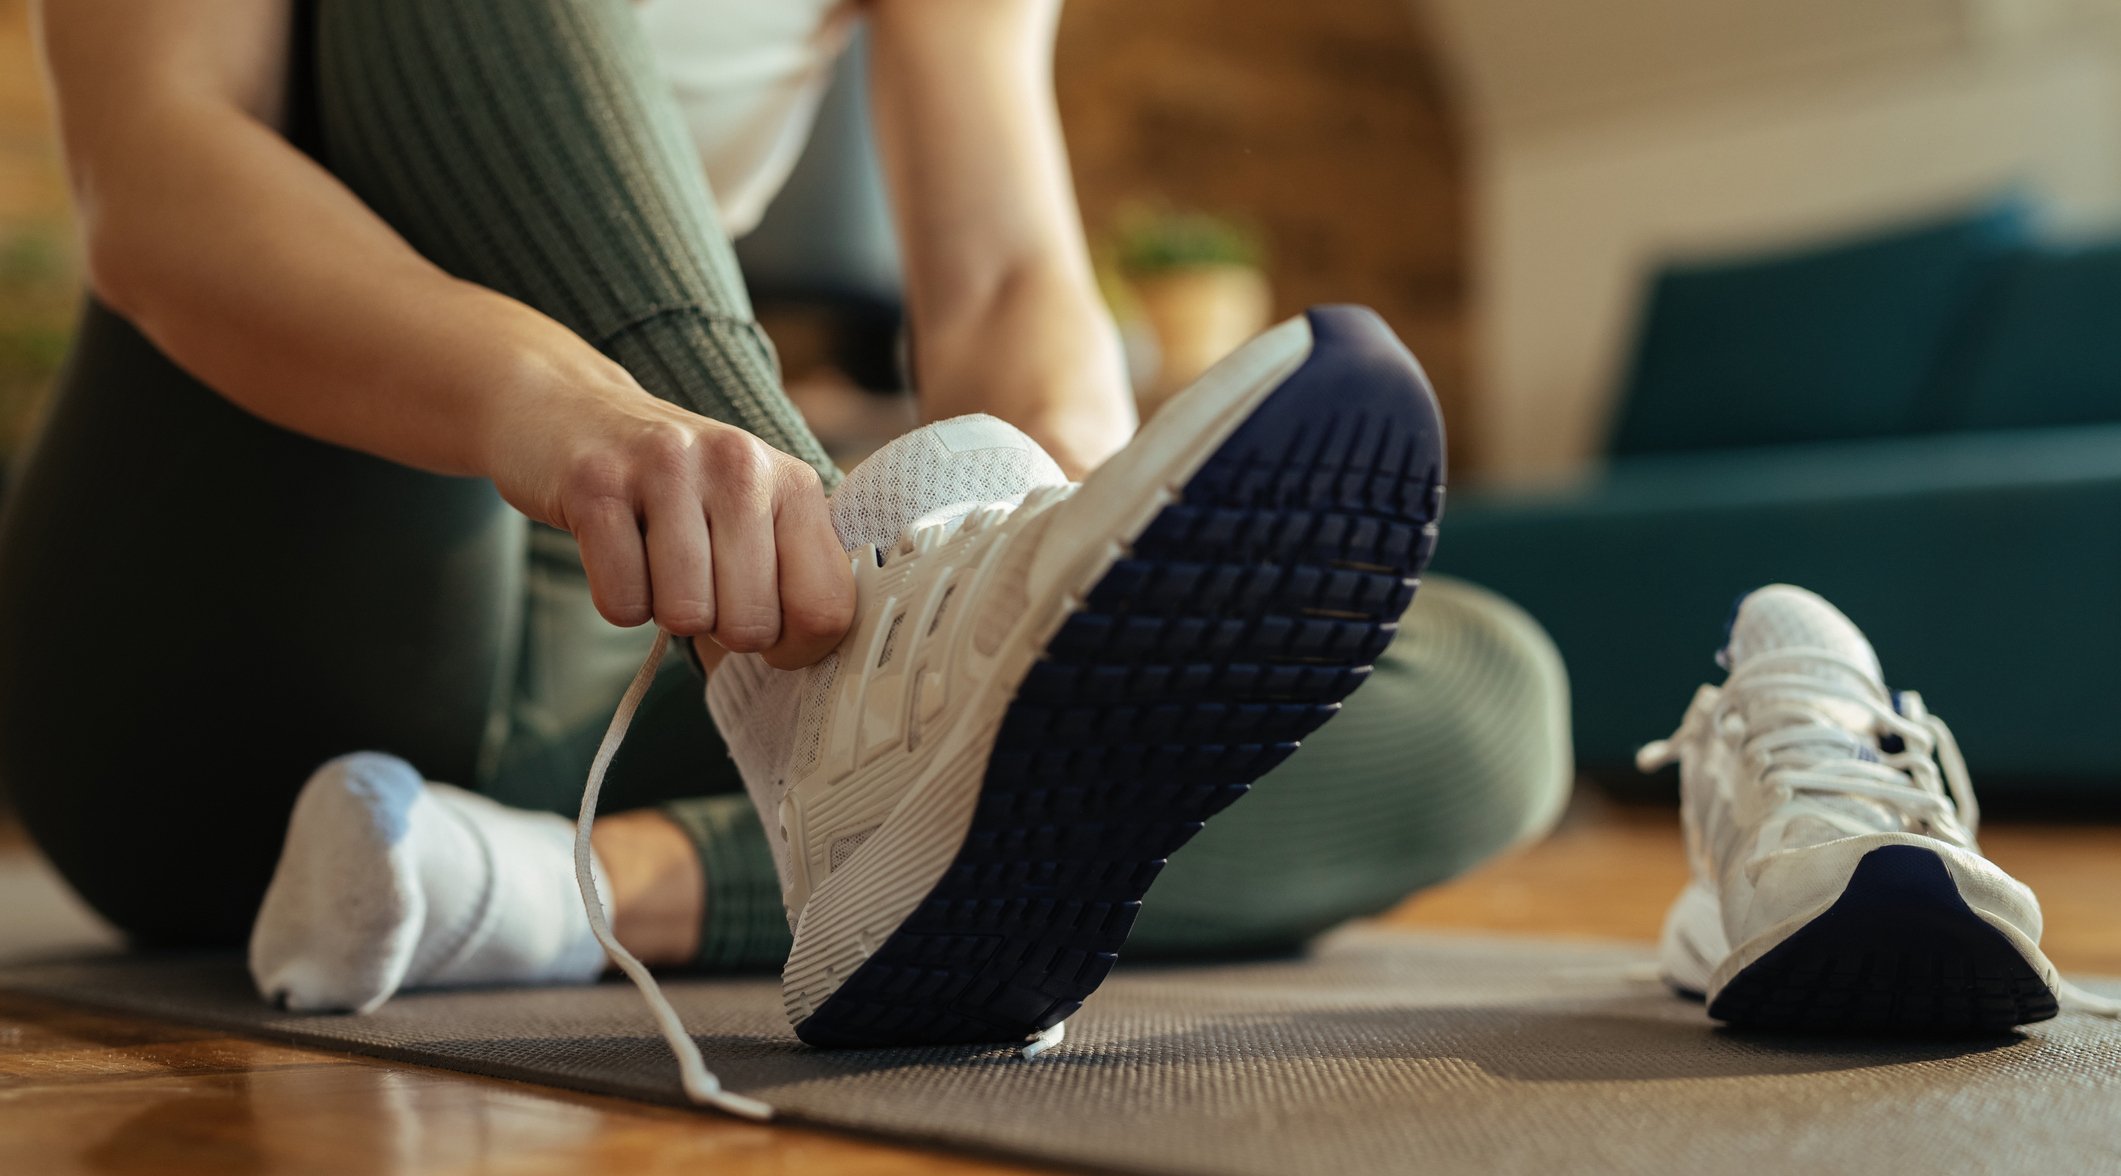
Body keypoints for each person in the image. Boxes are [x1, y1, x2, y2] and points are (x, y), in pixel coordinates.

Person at [0, 0, 1570, 1068]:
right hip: (249, 618)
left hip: (647, 624)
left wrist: (1076, 554)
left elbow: (1002, 277)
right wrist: (578, 411)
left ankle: (570, 885)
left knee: (1484, 696)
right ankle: (820, 706)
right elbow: (153, 171)